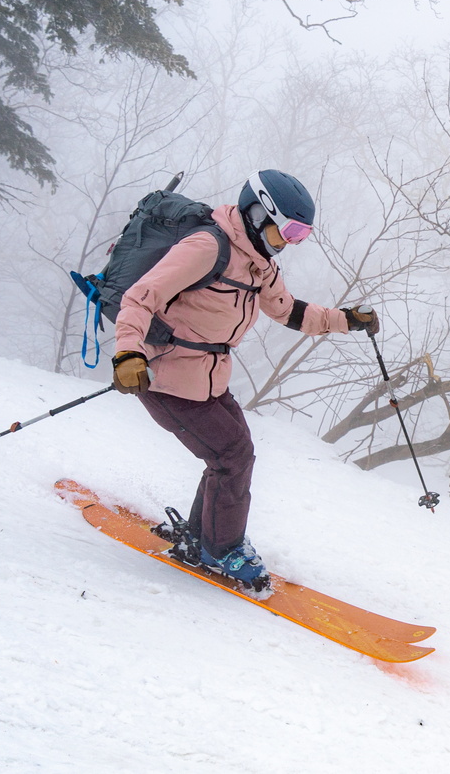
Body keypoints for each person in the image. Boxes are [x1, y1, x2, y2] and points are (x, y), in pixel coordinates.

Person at [109, 169, 378, 594]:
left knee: (234, 453)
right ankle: (221, 548)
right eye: (287, 229)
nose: (289, 241)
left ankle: (204, 538)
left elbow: (290, 312)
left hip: (208, 379)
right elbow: (141, 297)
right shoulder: (206, 246)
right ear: (257, 213)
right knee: (232, 455)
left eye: (301, 235)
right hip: (164, 375)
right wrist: (128, 353)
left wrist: (347, 320)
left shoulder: (260, 267)